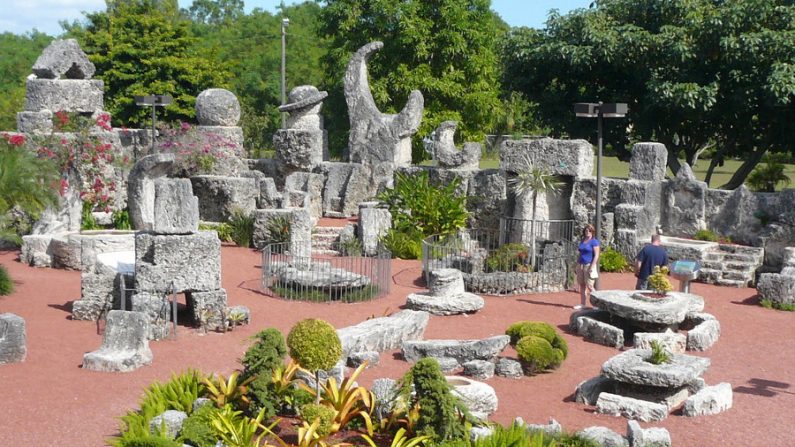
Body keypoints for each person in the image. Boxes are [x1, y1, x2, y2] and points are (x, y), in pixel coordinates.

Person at [575, 224, 600, 310]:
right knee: (582, 284)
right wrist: (577, 264)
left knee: (590, 286)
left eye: (589, 231)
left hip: (588, 265)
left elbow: (596, 255)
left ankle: (597, 304)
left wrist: (592, 267)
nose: (587, 232)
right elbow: (580, 253)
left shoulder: (594, 242)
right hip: (581, 264)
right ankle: (583, 304)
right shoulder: (583, 240)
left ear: (592, 232)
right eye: (586, 231)